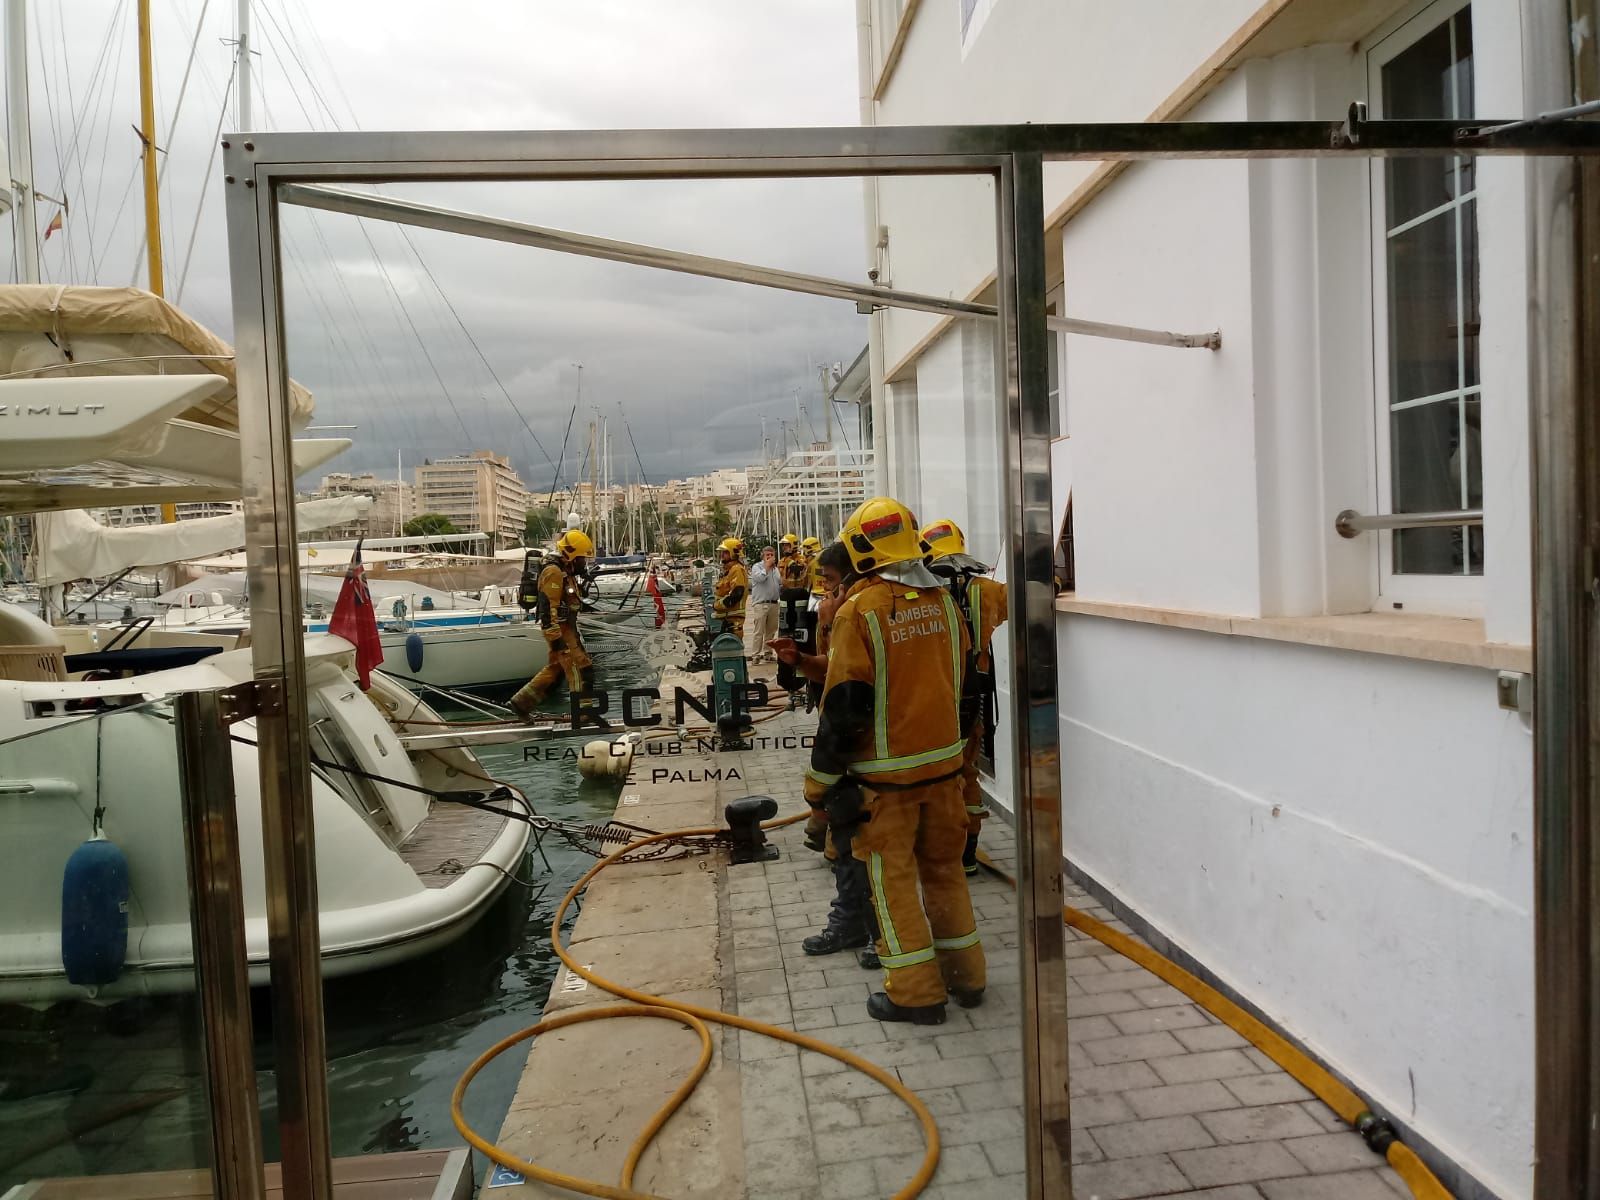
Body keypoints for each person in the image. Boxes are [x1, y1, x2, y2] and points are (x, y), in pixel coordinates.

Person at [804, 496, 984, 1025]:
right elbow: (964, 684)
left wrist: (819, 785)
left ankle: (915, 992)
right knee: (946, 873)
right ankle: (966, 977)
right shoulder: (946, 605)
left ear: (862, 550)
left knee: (893, 882)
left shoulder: (862, 610)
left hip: (888, 785)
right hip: (946, 774)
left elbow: (844, 708)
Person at [922, 519, 1008, 875]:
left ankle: (941, 848)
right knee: (967, 772)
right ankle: (967, 852)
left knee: (939, 776)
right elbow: (1027, 595)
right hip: (975, 693)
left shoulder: (922, 596)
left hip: (936, 695)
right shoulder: (985, 590)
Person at [770, 541, 853, 857]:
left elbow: (844, 672)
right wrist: (799, 661)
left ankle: (829, 839)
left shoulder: (853, 615)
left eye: (830, 581)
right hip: (830, 700)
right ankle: (824, 833)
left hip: (849, 719)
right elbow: (829, 662)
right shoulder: (829, 609)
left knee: (836, 783)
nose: (826, 591)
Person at [509, 529, 595, 719]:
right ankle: (582, 713)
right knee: (579, 669)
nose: (584, 563)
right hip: (559, 631)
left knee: (557, 671)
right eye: (582, 558)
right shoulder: (553, 572)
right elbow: (548, 610)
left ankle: (521, 703)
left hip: (567, 629)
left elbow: (570, 600)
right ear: (571, 555)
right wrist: (556, 641)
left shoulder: (565, 570)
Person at [776, 533, 812, 695]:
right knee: (784, 635)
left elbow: (802, 579)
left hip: (799, 602)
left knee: (800, 639)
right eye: (783, 546)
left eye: (787, 545)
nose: (784, 548)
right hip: (785, 601)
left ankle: (801, 678)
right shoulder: (782, 561)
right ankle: (787, 678)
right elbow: (782, 580)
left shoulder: (800, 561)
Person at [744, 545, 781, 660]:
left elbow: (779, 582)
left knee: (771, 630)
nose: (770, 557)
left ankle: (768, 652)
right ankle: (756, 654)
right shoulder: (757, 567)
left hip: (774, 602)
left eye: (771, 555)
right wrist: (767, 567)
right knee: (759, 630)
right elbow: (759, 578)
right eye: (767, 555)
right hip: (761, 603)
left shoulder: (776, 569)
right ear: (763, 556)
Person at [711, 537, 749, 641]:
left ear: (733, 553)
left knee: (732, 650)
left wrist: (717, 605)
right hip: (727, 619)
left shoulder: (736, 570)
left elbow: (736, 594)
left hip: (734, 621)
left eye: (725, 552)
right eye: (722, 552)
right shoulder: (729, 570)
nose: (722, 555)